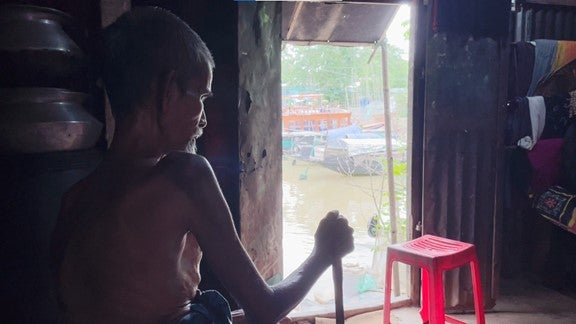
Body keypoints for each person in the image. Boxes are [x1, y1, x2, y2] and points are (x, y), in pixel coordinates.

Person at [50, 6, 354, 324]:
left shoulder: (72, 201)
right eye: (202, 97)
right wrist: (323, 252)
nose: (204, 120)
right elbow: (265, 310)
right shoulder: (185, 176)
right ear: (168, 92)